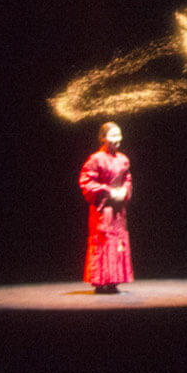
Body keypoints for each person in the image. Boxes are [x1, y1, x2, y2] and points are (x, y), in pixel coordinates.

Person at [79, 121, 134, 293]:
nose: (117, 139)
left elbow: (127, 179)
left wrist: (124, 191)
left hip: (118, 208)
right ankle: (100, 282)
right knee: (103, 241)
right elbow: (86, 181)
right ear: (103, 138)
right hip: (103, 208)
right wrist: (108, 192)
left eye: (119, 135)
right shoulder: (95, 158)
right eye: (113, 135)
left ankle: (113, 282)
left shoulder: (123, 159)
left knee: (117, 241)